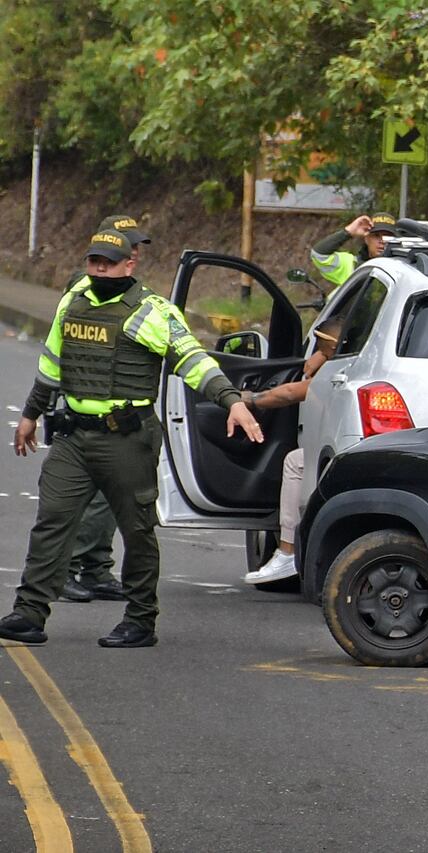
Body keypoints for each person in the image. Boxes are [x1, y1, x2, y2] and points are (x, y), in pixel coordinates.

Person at [0, 229, 262, 648]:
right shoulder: (75, 302)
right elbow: (53, 363)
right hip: (73, 438)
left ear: (129, 264)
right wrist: (31, 413)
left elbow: (193, 359)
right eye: (93, 262)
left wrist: (230, 399)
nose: (99, 269)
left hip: (126, 439)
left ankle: (140, 620)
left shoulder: (151, 311)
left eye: (108, 262)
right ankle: (29, 614)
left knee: (137, 531)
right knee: (51, 523)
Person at [59, 213, 152, 604]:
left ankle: (95, 568)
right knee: (83, 501)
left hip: (110, 416)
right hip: (89, 413)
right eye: (131, 244)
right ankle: (65, 569)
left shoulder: (123, 287)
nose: (137, 251)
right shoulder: (86, 289)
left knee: (105, 501)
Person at [239, 319, 342, 585]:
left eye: (321, 347)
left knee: (296, 461)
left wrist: (248, 399)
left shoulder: (341, 367)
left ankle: (287, 551)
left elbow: (290, 393)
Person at [309, 212, 397, 288]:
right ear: (366, 239)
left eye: (388, 237)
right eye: (376, 236)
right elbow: (319, 255)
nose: (382, 241)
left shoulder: (401, 269)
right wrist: (348, 232)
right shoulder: (351, 264)